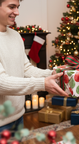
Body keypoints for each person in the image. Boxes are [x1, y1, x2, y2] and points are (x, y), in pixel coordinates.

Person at [0, 0, 68, 132]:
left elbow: (26, 68)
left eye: (18, 7)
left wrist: (52, 74)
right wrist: (43, 83)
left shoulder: (15, 35)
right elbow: (1, 82)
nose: (17, 12)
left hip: (18, 116)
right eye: (12, 7)